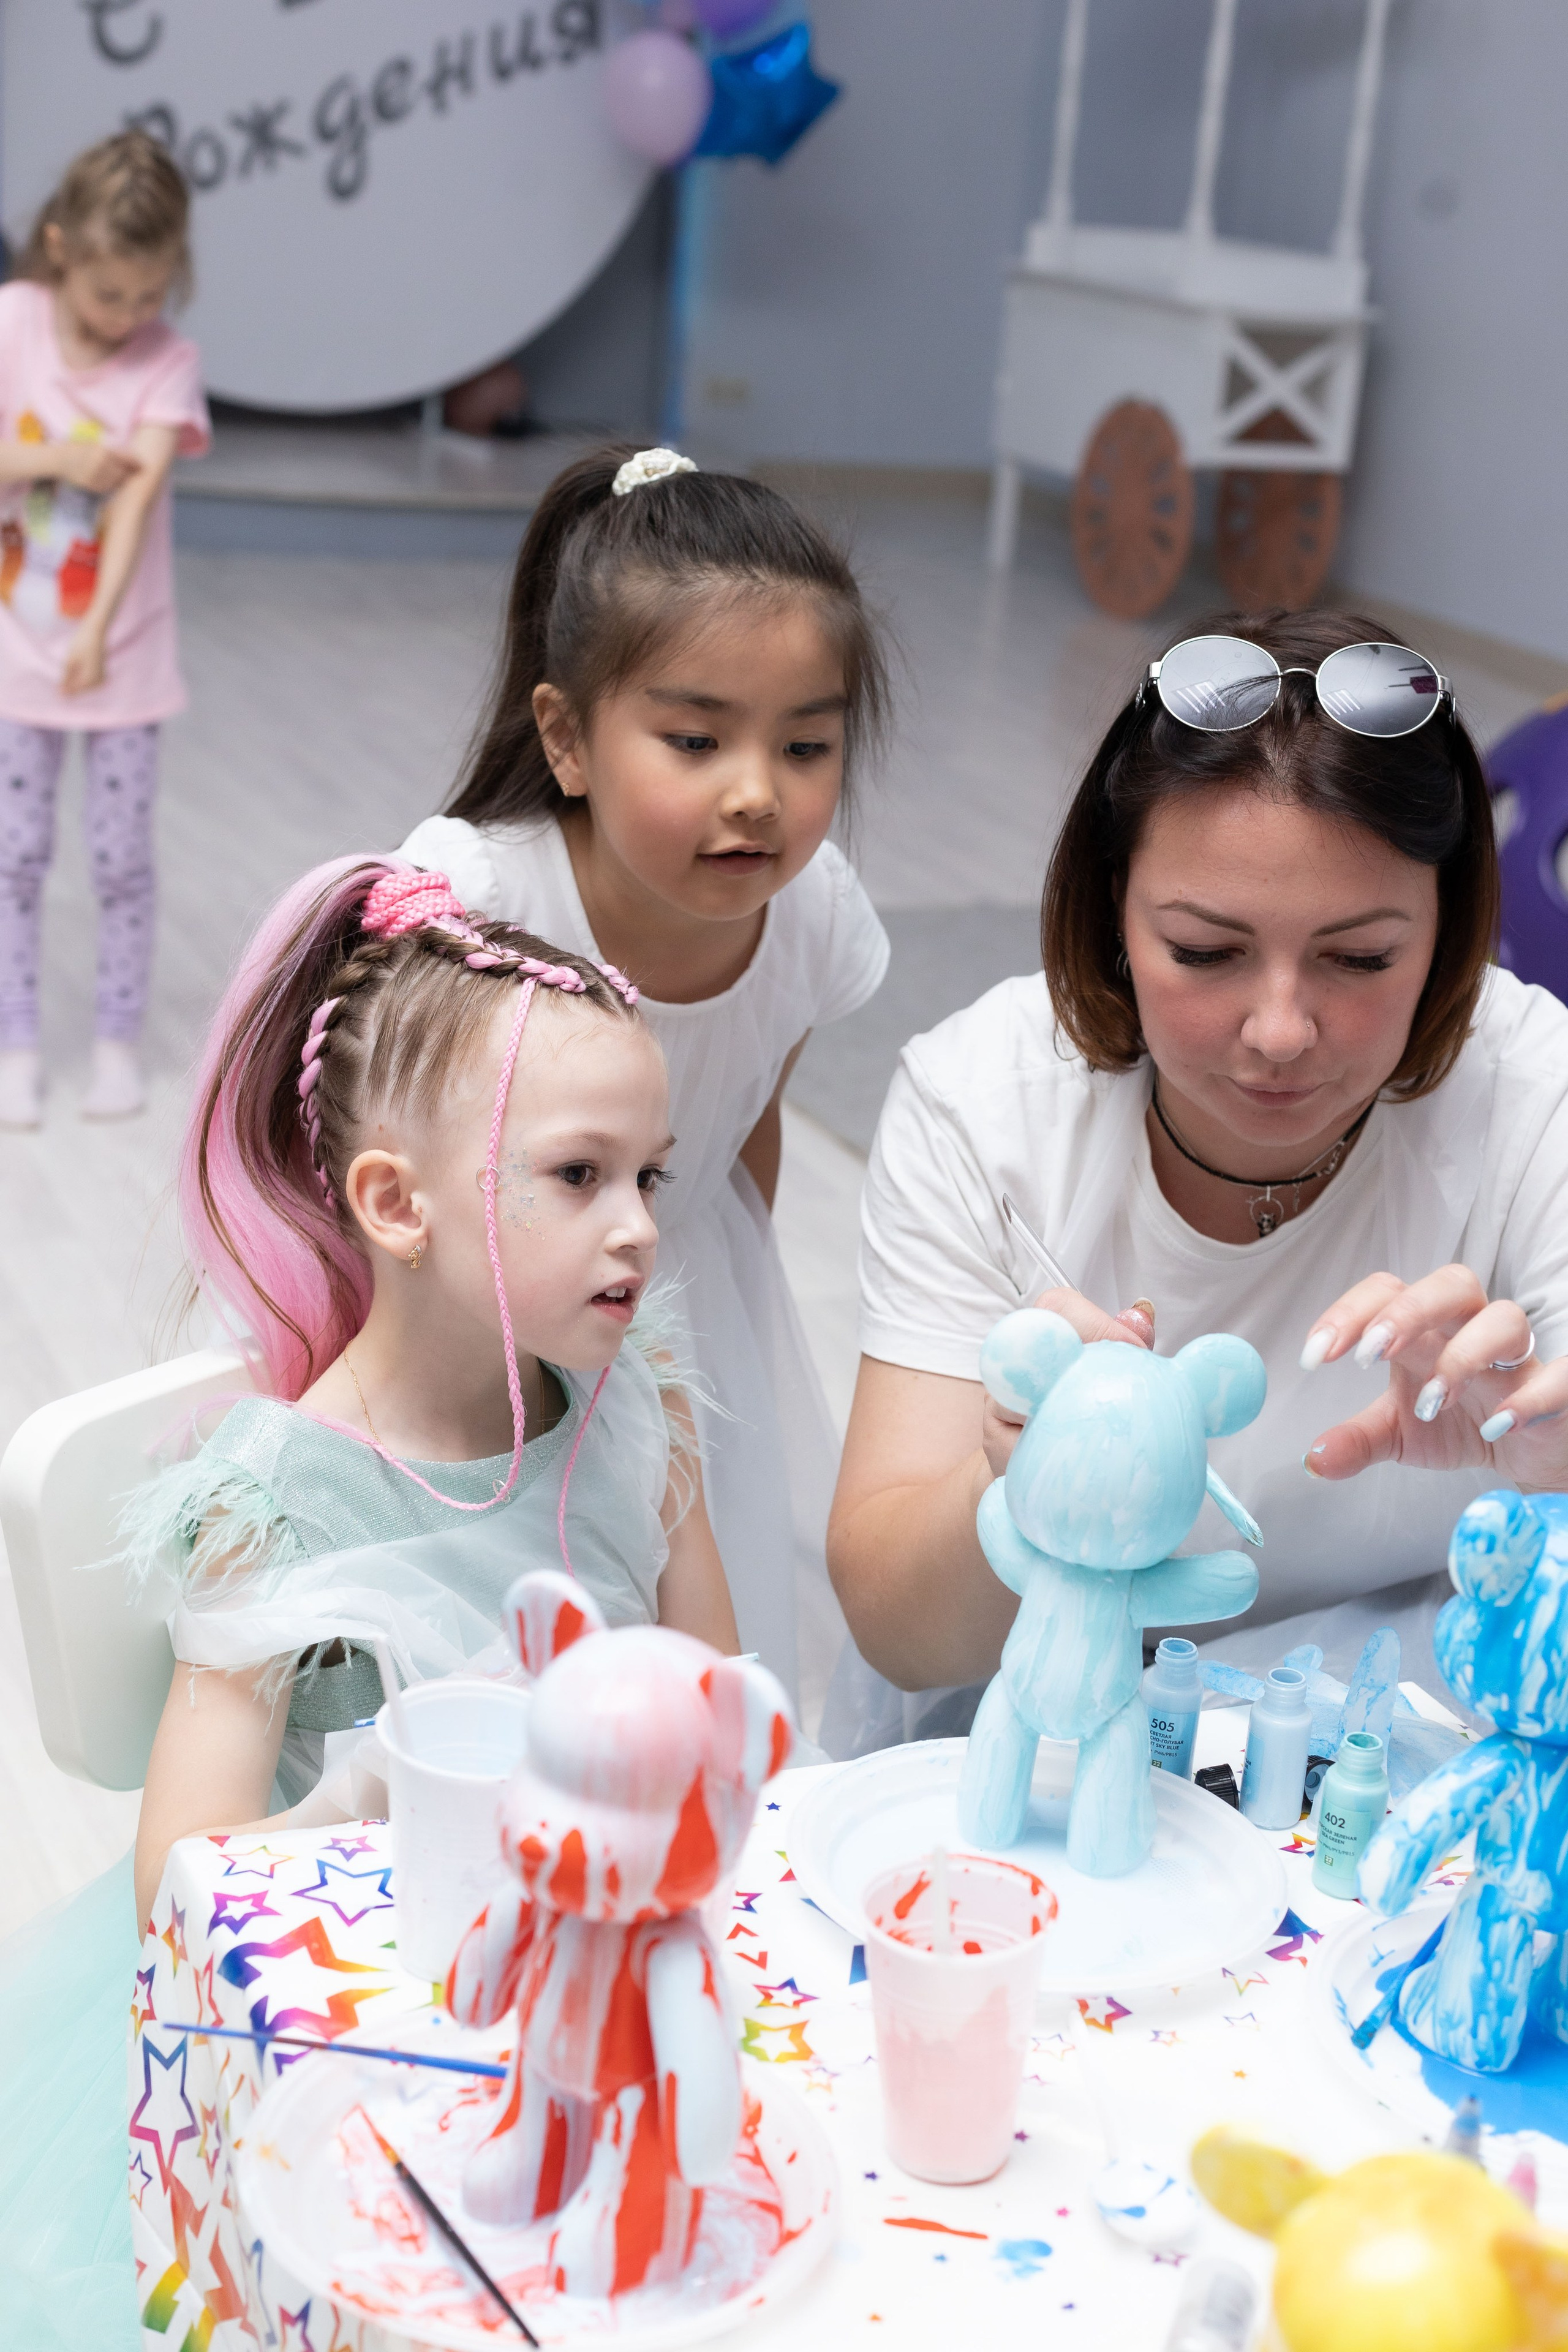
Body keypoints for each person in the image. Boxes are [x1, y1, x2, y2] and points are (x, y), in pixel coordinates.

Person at [0, 858, 735, 2350]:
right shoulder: (275, 1499)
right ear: (398, 1204)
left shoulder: (632, 1407)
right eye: (579, 1176)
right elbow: (179, 1880)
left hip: (595, 1983)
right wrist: (362, 1797)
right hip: (350, 2026)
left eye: (647, 1177)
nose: (638, 1227)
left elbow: (712, 1689)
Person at [828, 610, 1568, 1746]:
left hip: (1384, 1747)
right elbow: (897, 1626)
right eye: (1207, 953)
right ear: (1113, 912)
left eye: (1361, 958)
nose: (1281, 1031)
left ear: (1449, 927)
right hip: (1030, 1737)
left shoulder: (1535, 1092)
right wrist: (1023, 1482)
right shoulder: (983, 1106)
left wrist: (1550, 1473)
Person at [400, 443, 891, 1724]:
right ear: (566, 737)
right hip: (479, 1313)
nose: (757, 794)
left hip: (683, 1297)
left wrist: (729, 1316)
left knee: (687, 1663)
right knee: (493, 1651)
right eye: (695, 740)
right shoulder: (479, 899)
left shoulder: (810, 915)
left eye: (806, 745)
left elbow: (743, 1136)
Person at [0, 129, 209, 1129]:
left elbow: (133, 506)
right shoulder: (14, 322)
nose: (128, 316)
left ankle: (118, 1043)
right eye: (108, 295)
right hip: (14, 654)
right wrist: (53, 463)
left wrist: (92, 634)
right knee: (14, 855)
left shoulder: (169, 362)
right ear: (61, 249)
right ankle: (16, 1043)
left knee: (120, 858)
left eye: (149, 295)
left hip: (119, 656)